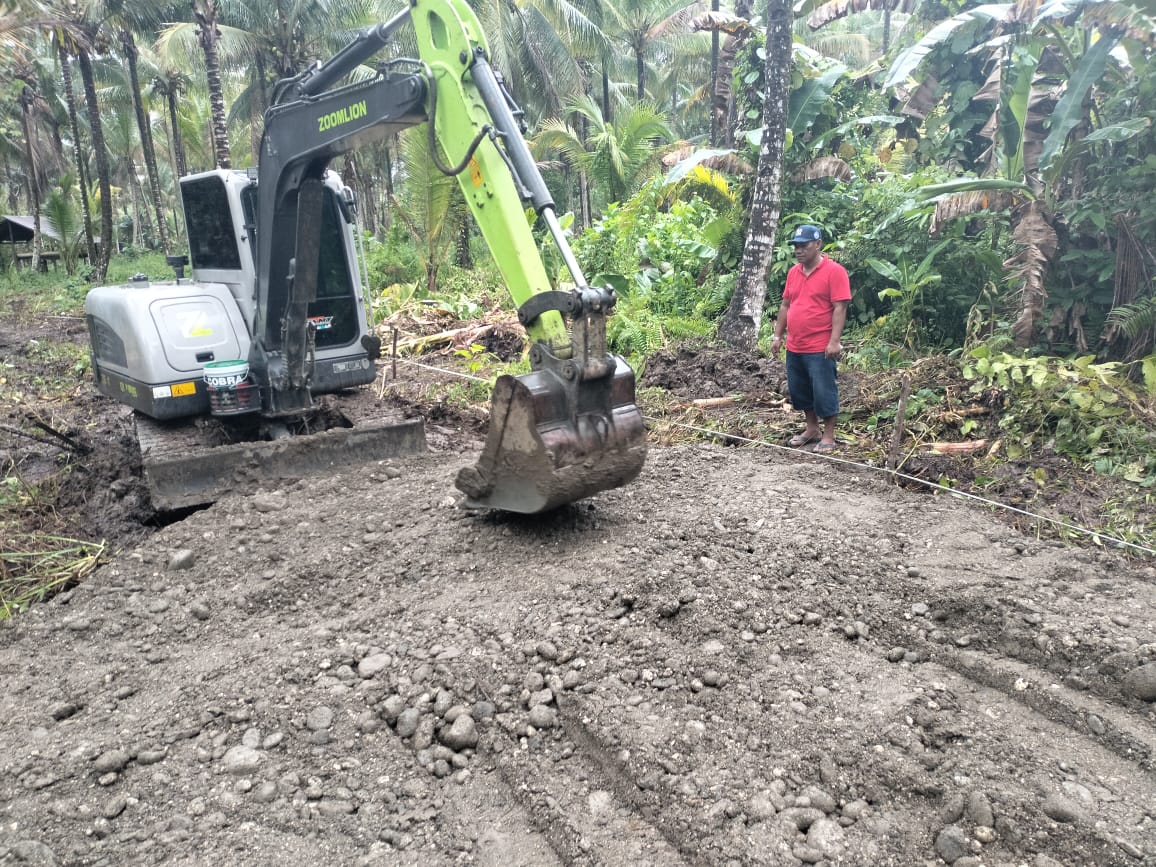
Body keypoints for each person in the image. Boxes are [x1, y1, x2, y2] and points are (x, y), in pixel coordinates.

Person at [769, 224, 851, 454]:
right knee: (800, 389)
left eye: (804, 246)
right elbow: (786, 305)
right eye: (796, 246)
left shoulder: (835, 272)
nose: (799, 250)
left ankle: (829, 435)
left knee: (824, 390)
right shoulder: (794, 273)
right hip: (795, 345)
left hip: (819, 346)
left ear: (818, 244)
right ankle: (812, 428)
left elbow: (840, 307)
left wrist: (834, 341)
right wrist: (777, 335)